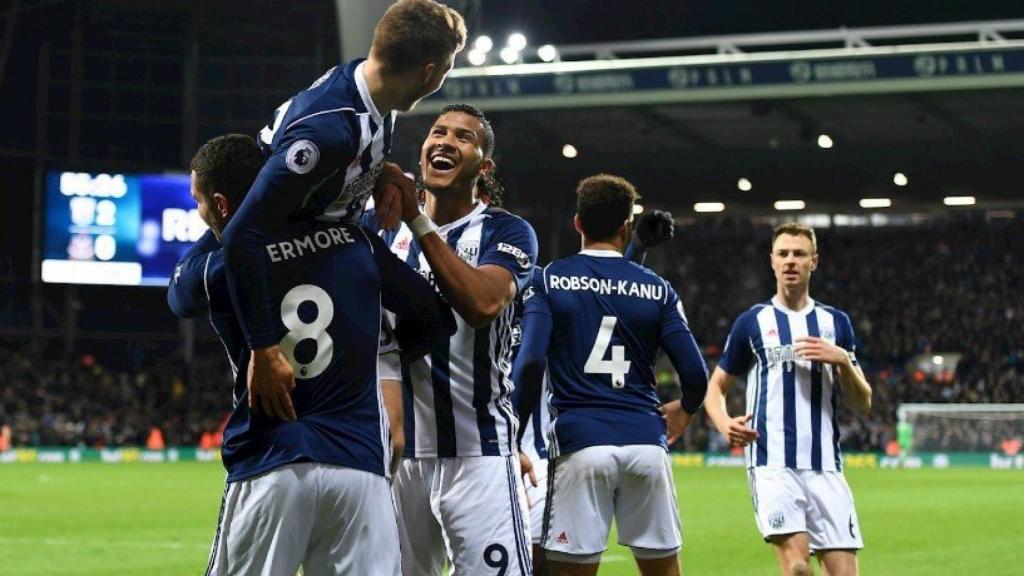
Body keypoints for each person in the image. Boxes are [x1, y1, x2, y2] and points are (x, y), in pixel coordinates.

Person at [168, 134, 455, 575]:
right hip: (359, 467)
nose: (199, 210)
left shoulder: (226, 266)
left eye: (199, 201)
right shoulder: (356, 242)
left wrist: (236, 224)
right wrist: (381, 355)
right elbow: (436, 318)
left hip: (272, 463)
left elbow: (179, 297)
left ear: (221, 205)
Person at [219, 0, 466, 424]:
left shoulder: (371, 87)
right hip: (288, 248)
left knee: (433, 319)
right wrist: (263, 349)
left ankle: (366, 369)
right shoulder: (329, 133)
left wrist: (381, 174)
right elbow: (241, 235)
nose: (444, 78)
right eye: (446, 68)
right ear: (428, 72)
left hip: (337, 235)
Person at [364, 104, 538, 575]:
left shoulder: (506, 231)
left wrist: (418, 221)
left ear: (484, 166)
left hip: (479, 453)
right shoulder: (379, 230)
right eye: (438, 132)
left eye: (463, 137)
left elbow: (482, 304)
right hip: (399, 457)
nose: (445, 141)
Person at [512, 174, 708, 576]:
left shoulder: (548, 280)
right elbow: (695, 373)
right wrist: (686, 409)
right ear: (626, 226)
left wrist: (513, 439)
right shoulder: (659, 289)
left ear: (577, 223)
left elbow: (530, 363)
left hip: (580, 443)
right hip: (647, 443)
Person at [703, 222, 872, 576]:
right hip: (773, 464)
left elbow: (862, 403)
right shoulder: (752, 322)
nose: (790, 261)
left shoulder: (835, 323)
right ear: (772, 261)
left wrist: (843, 360)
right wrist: (724, 423)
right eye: (783, 254)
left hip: (826, 466)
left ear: (814, 261)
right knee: (797, 568)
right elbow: (715, 388)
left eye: (799, 254)